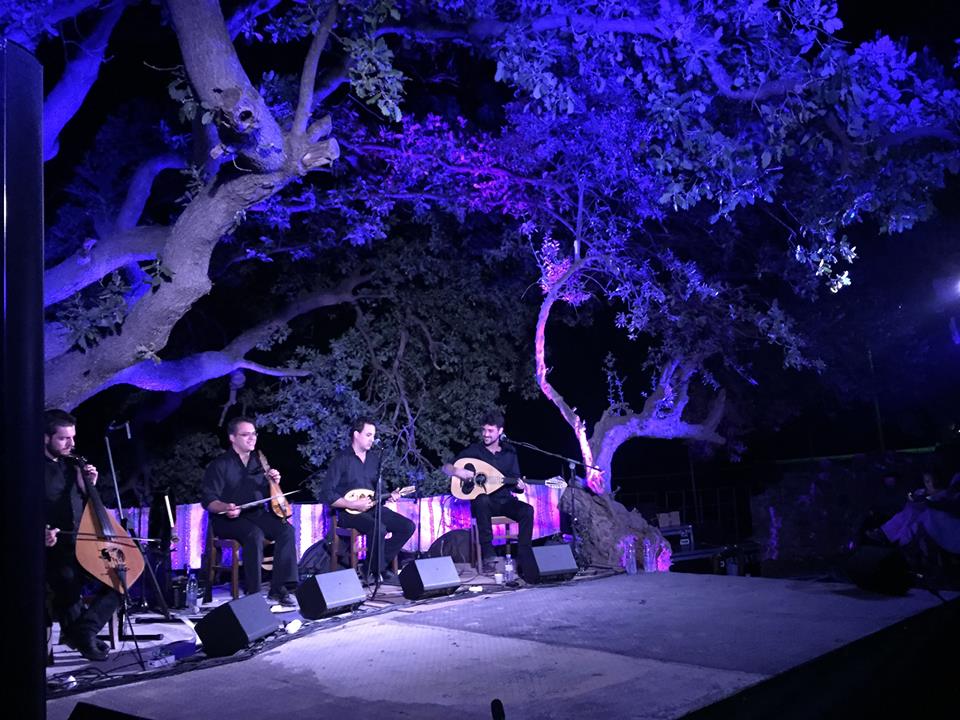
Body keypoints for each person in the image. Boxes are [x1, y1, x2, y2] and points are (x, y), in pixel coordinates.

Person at [44, 409, 120, 662]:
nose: (71, 444)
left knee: (122, 575)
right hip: (54, 546)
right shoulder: (30, 470)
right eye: (63, 438)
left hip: (84, 540)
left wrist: (88, 486)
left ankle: (83, 631)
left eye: (73, 438)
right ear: (45, 438)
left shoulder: (72, 465)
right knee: (67, 579)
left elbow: (88, 505)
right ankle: (84, 637)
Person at [202, 417, 299, 606]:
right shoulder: (220, 465)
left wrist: (274, 482)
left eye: (254, 434)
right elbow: (208, 500)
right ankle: (253, 593)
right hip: (227, 519)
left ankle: (279, 589)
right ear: (232, 438)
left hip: (256, 513)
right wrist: (225, 507)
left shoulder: (259, 462)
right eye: (245, 435)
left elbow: (267, 494)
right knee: (254, 534)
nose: (252, 438)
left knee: (286, 530)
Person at [319, 418, 415, 583]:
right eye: (368, 435)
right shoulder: (342, 459)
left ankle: (372, 567)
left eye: (373, 436)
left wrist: (389, 495)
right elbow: (326, 494)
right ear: (356, 435)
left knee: (407, 526)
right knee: (379, 528)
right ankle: (376, 570)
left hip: (372, 508)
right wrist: (351, 504)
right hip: (347, 512)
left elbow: (378, 492)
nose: (372, 439)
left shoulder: (373, 460)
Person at [442, 410, 534, 574]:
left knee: (527, 510)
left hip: (505, 501)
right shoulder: (474, 451)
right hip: (483, 505)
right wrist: (458, 471)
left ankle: (525, 558)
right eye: (484, 430)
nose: (485, 434)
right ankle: (488, 555)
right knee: (482, 499)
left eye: (490, 431)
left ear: (500, 431)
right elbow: (446, 467)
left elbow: (515, 480)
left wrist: (520, 487)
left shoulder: (510, 452)